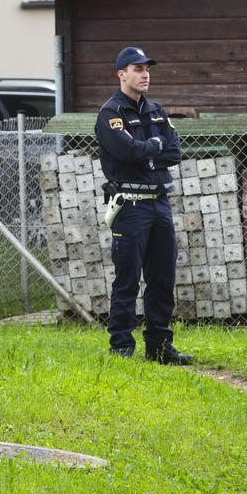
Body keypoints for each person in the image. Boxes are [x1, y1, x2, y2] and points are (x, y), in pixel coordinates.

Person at [95, 46, 193, 365]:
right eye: (137, 69)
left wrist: (146, 152)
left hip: (160, 204)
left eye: (147, 68)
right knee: (127, 278)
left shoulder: (157, 110)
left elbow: (175, 153)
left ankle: (160, 346)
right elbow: (127, 153)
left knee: (162, 277)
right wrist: (153, 149)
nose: (145, 73)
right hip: (130, 206)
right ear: (122, 74)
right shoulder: (110, 113)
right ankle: (121, 347)